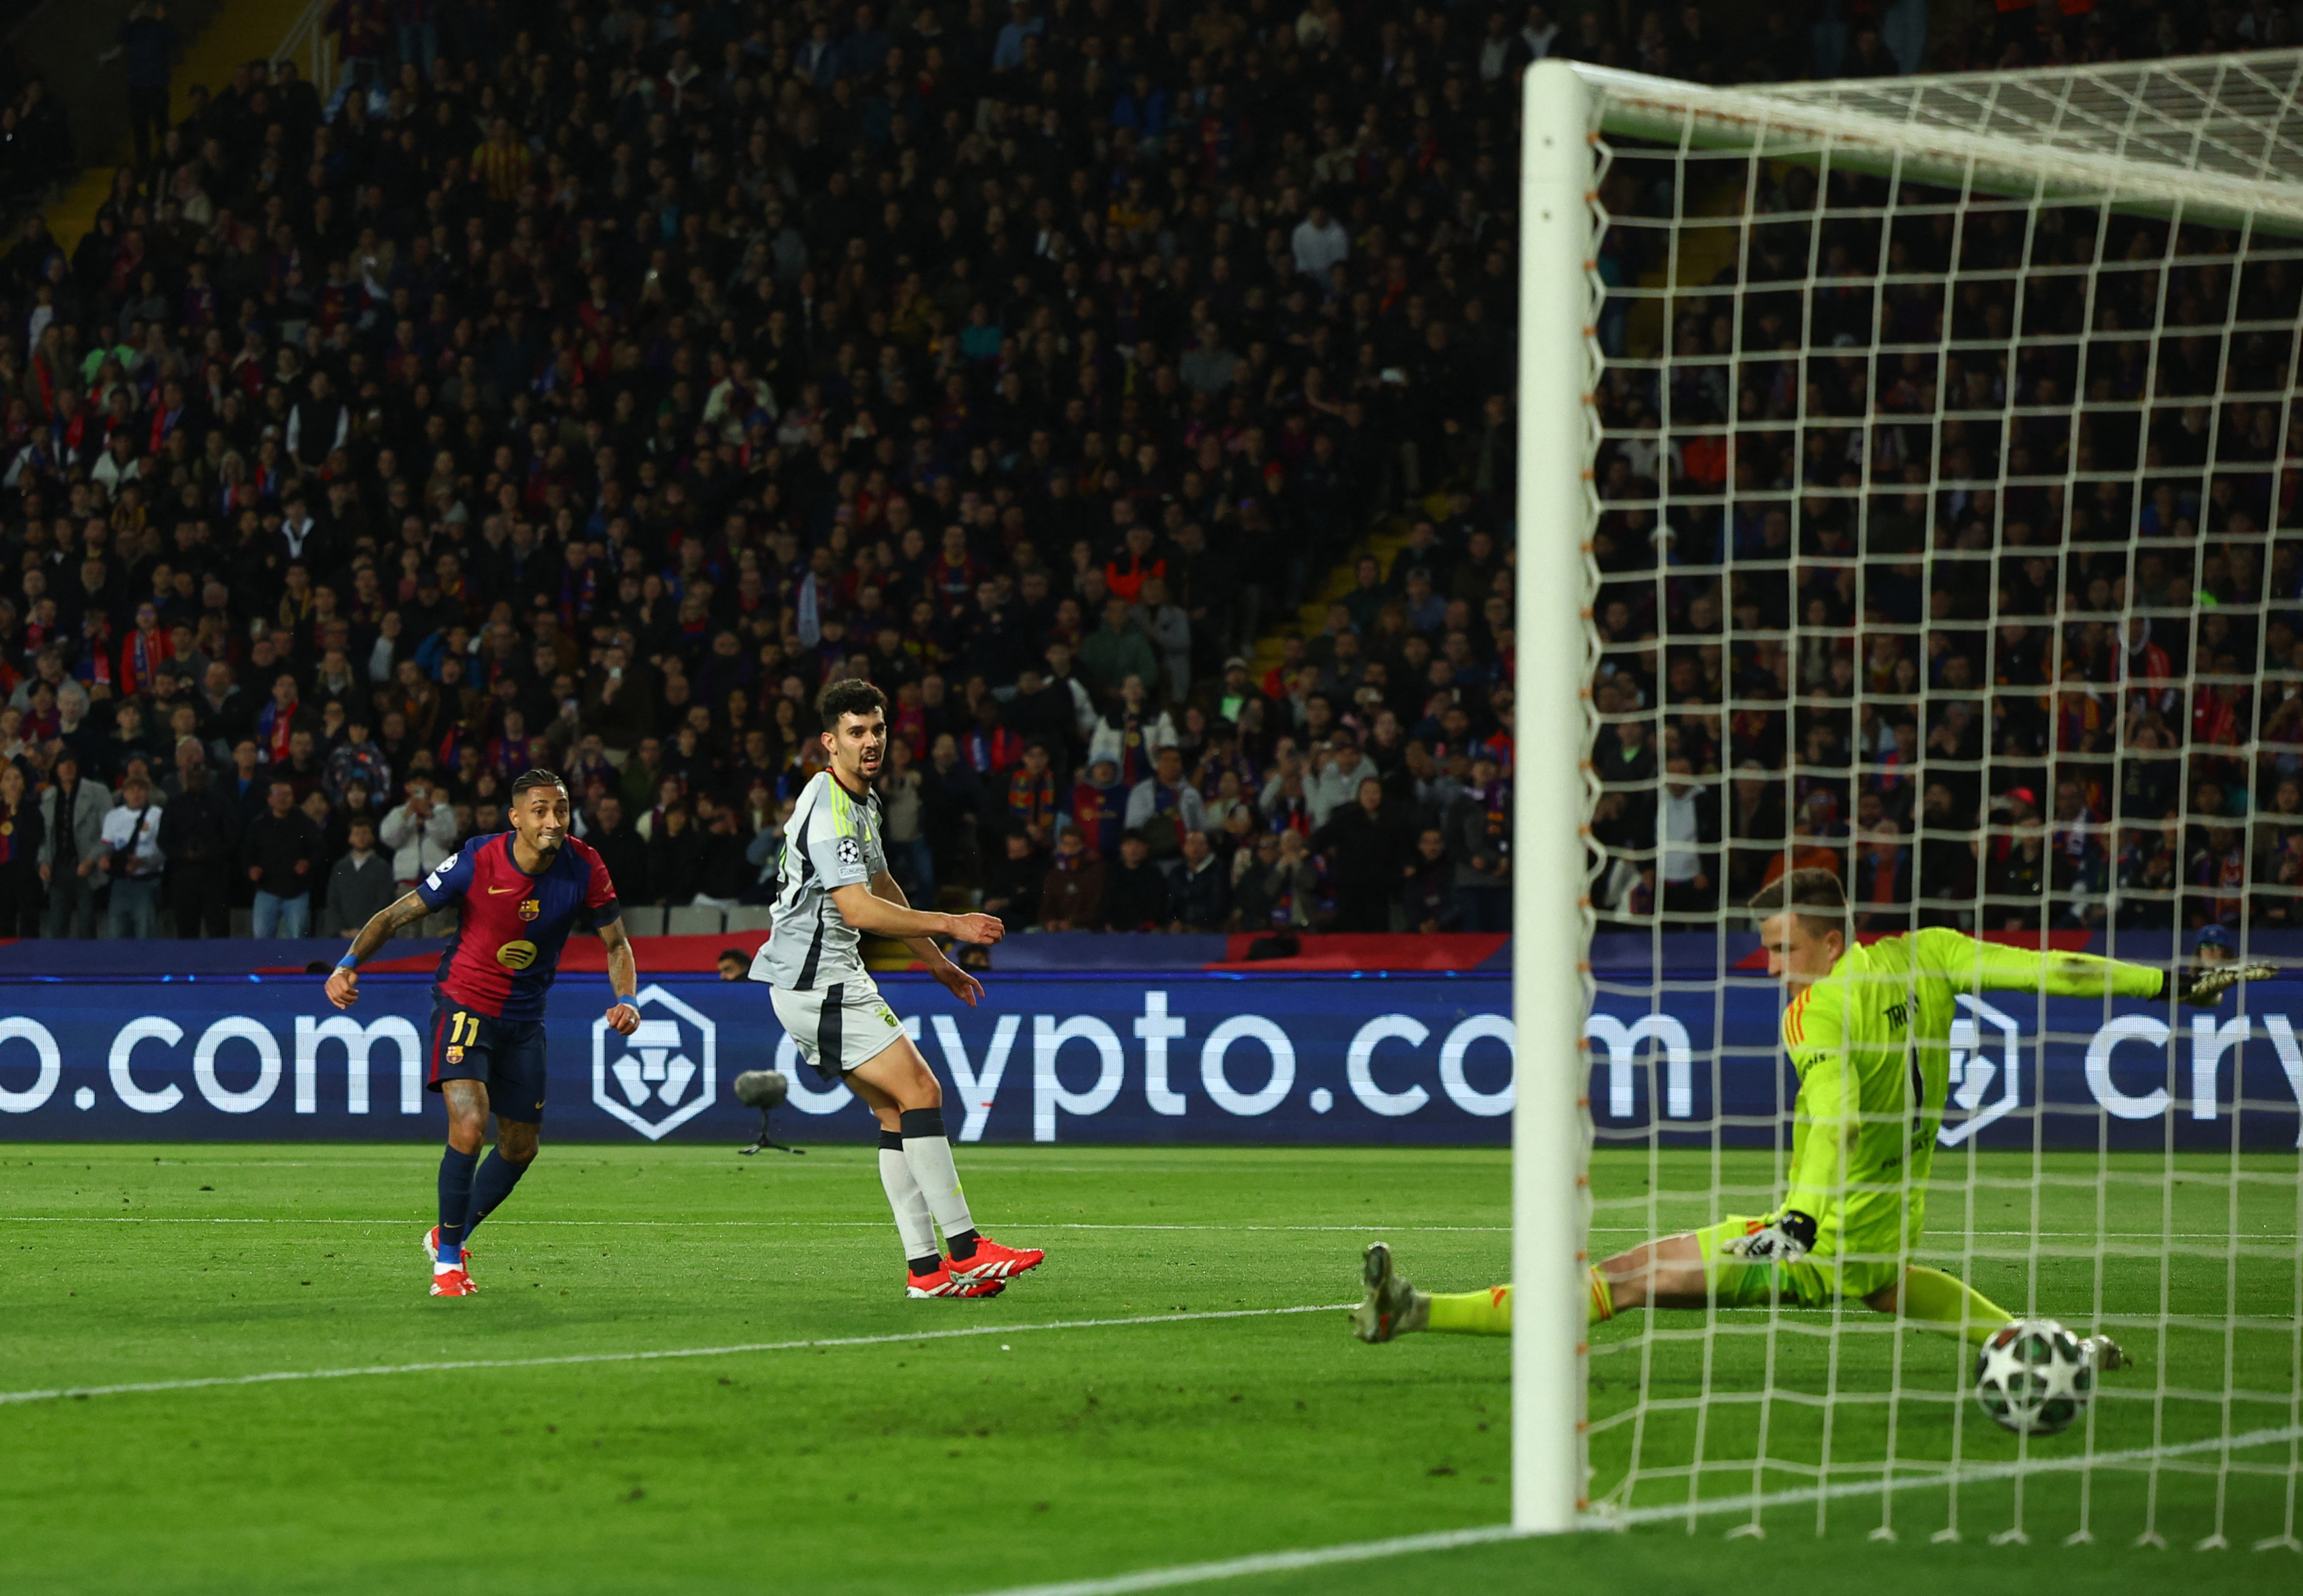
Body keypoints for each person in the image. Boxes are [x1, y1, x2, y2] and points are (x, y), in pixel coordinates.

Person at [1351, 869, 2273, 1354]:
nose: (1772, 963)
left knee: (1624, 1279)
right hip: (1883, 1210)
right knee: (1887, 1281)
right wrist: (2168, 983)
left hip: (1820, 1229)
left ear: (1833, 939)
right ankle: (2037, 1342)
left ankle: (1418, 1311)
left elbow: (1829, 1110)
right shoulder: (1934, 951)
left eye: (1784, 944)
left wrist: (1795, 1218)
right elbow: (2052, 969)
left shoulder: (1816, 1007)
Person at [747, 679, 1040, 1300]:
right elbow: (858, 909)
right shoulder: (827, 808)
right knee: (923, 1089)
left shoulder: (862, 802)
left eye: (877, 728)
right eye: (856, 732)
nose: (871, 740)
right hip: (816, 980)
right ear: (830, 742)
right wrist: (952, 923)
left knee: (896, 1111)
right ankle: (967, 1249)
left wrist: (937, 961)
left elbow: (881, 884)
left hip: (825, 977)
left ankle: (926, 1271)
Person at [324, 770, 642, 1298]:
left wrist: (627, 999)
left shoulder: (585, 865)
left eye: (560, 810)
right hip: (465, 1004)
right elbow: (397, 914)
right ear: (516, 817)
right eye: (540, 810)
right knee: (470, 1125)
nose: (552, 820)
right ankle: (449, 1264)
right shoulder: (476, 859)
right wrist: (349, 963)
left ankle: (448, 1232)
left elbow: (617, 944)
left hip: (525, 1020)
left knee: (520, 1147)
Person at [38, 754, 112, 939]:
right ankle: (58, 968)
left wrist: (92, 859)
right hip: (58, 868)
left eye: (72, 763)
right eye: (63, 763)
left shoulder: (98, 792)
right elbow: (44, 836)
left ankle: (87, 968)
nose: (68, 767)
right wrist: (43, 862)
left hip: (86, 866)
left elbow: (110, 831)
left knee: (86, 925)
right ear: (57, 769)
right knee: (56, 926)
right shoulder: (49, 796)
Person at [243, 779, 324, 935]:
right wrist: (251, 869)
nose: (283, 798)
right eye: (278, 794)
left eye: (287, 794)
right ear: (269, 799)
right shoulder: (258, 825)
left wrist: (308, 863)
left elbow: (319, 850)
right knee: (261, 938)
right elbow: (247, 853)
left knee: (297, 937)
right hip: (266, 891)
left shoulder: (306, 824)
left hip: (297, 892)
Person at [99, 771, 167, 939]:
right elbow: (106, 846)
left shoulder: (157, 815)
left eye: (141, 789)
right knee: (116, 934)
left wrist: (143, 862)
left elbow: (164, 850)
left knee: (145, 934)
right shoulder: (113, 816)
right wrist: (105, 860)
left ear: (147, 792)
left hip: (146, 881)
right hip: (120, 883)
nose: (136, 793)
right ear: (124, 793)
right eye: (132, 789)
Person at [322, 815, 397, 937]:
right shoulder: (340, 868)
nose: (361, 838)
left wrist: (364, 929)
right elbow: (333, 901)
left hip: (374, 935)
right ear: (350, 838)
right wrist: (341, 930)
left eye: (365, 833)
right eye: (356, 834)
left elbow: (385, 901)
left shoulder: (382, 867)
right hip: (342, 936)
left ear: (372, 837)